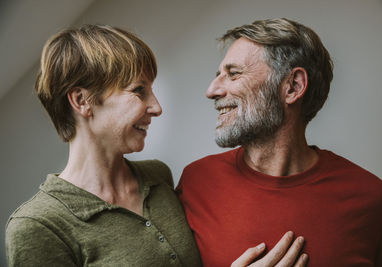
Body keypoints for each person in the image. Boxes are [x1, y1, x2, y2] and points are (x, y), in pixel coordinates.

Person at [6, 24, 307, 266]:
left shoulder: (158, 177)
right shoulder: (38, 226)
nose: (157, 107)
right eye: (139, 90)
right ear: (82, 101)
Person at [177, 18, 382, 267]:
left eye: (234, 74)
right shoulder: (196, 182)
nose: (211, 90)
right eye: (218, 75)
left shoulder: (372, 199)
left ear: (293, 86)